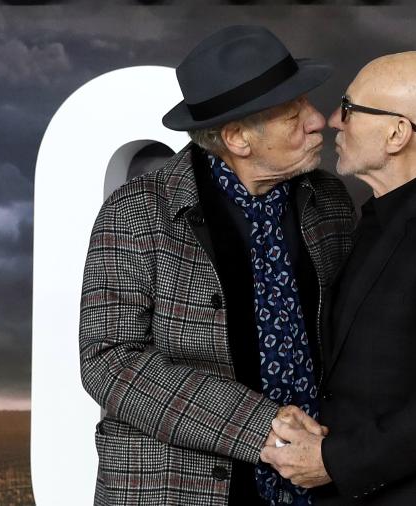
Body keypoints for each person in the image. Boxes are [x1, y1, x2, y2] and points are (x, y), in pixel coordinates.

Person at [78, 25, 355, 505]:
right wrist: (259, 430)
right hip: (177, 488)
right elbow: (108, 361)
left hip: (316, 483)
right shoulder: (135, 213)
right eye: (294, 115)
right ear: (238, 138)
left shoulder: (329, 201)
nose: (318, 121)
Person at [261, 51, 416, 505]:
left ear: (396, 133)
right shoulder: (373, 220)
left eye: (350, 108)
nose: (335, 120)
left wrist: (334, 460)